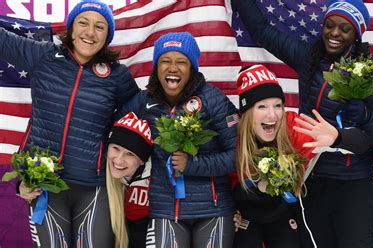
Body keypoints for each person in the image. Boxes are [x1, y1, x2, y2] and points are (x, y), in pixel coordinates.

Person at [231, 0, 373, 247]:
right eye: (329, 25)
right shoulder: (310, 58)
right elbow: (263, 31)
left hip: (355, 186)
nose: (335, 33)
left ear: (357, 35)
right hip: (311, 181)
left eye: (345, 28)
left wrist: (363, 117)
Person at [3, 0, 140, 246]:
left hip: (94, 187)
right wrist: (22, 181)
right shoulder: (44, 56)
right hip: (45, 183)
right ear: (71, 28)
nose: (90, 32)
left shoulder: (117, 76)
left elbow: (141, 118)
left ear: (107, 36)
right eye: (83, 23)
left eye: (99, 27)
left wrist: (131, 163)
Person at [232, 64, 372, 248]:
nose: (272, 115)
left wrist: (337, 138)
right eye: (262, 106)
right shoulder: (233, 135)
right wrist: (228, 210)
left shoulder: (293, 128)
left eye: (278, 105)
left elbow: (362, 143)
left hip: (284, 216)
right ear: (248, 112)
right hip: (246, 217)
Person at [120, 32, 237, 248]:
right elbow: (116, 131)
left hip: (213, 210)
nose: (172, 68)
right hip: (164, 210)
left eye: (181, 62)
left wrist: (192, 165)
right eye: (165, 61)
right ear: (156, 67)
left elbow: (239, 155)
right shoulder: (144, 101)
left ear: (192, 68)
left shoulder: (214, 100)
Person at [106, 112, 153, 248]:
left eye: (130, 154)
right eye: (115, 148)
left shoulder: (154, 183)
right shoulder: (100, 173)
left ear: (141, 161)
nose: (119, 160)